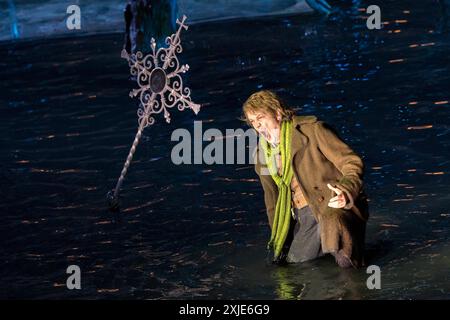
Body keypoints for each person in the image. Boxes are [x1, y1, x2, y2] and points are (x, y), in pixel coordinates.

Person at [242, 90, 369, 268]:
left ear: (277, 113)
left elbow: (351, 162)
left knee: (345, 259)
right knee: (293, 265)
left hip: (332, 205)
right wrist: (280, 237)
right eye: (253, 121)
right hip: (303, 214)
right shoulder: (262, 155)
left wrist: (346, 189)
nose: (258, 125)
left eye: (261, 117)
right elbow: (273, 201)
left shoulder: (312, 130)